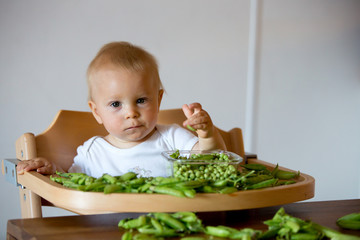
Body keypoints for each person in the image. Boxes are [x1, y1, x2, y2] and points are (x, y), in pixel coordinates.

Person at [16, 41, 226, 178]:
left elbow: (212, 160)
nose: (131, 113)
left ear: (158, 100)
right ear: (96, 112)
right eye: (116, 104)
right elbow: (71, 185)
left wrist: (206, 134)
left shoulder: (172, 138)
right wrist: (51, 171)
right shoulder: (93, 153)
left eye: (142, 100)